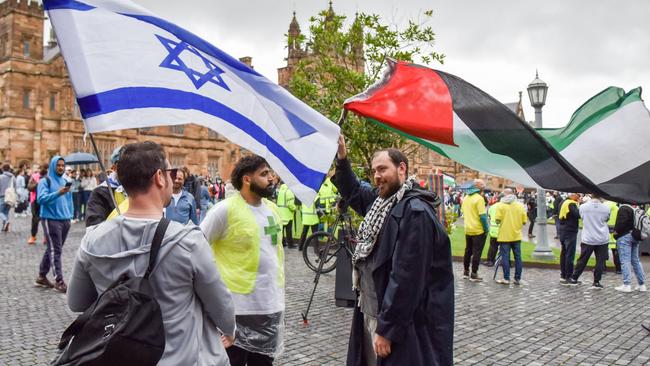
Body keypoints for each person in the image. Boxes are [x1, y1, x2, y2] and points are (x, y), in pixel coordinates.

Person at [67, 141, 236, 365]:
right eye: (172, 172)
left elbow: (77, 302)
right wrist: (230, 331)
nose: (174, 177)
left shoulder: (93, 239)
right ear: (159, 177)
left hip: (121, 355)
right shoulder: (189, 241)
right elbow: (220, 304)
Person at [333, 136, 453, 366]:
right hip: (370, 310)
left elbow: (406, 279)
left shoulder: (414, 211)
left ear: (402, 169)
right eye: (373, 171)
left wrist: (388, 330)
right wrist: (342, 156)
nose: (377, 176)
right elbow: (354, 189)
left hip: (399, 324)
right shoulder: (382, 202)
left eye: (382, 169)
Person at [201, 155, 286, 365]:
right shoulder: (224, 210)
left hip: (270, 306)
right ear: (247, 179)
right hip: (236, 310)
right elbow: (197, 246)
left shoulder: (273, 210)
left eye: (270, 173)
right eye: (264, 174)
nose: (272, 178)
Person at [35, 156, 73, 293]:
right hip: (51, 219)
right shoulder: (45, 181)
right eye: (58, 165)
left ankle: (41, 276)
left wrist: (70, 216)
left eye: (63, 165)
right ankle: (59, 280)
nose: (61, 167)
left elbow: (69, 200)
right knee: (55, 250)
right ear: (53, 166)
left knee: (52, 249)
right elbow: (41, 199)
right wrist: (58, 193)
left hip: (65, 220)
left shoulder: (65, 181)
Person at [567, 195, 611, 289]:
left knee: (582, 259)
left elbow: (582, 217)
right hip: (602, 238)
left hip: (588, 237)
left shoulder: (583, 207)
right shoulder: (606, 208)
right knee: (600, 261)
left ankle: (574, 277)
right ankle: (596, 281)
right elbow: (607, 219)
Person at [85, 146, 128, 227]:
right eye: (126, 164)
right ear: (115, 167)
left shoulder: (142, 189)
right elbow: (93, 226)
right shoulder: (100, 193)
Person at [494, 189, 527, 285]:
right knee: (518, 257)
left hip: (504, 235)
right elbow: (524, 221)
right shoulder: (520, 206)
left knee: (505, 257)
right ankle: (517, 278)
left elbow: (497, 220)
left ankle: (506, 278)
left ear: (504, 195)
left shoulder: (500, 205)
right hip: (516, 235)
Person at [613, 204, 646, 292]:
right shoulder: (636, 209)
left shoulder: (624, 208)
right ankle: (642, 284)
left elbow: (620, 224)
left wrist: (616, 232)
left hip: (625, 236)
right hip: (635, 235)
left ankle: (626, 285)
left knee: (625, 260)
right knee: (636, 260)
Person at [461, 179, 489, 281]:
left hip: (468, 229)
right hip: (478, 230)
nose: (484, 186)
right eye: (482, 185)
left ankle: (465, 272)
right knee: (477, 252)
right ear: (478, 187)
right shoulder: (479, 198)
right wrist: (486, 229)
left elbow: (463, 212)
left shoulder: (466, 198)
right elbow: (483, 216)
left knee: (468, 251)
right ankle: (474, 273)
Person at [558, 193, 580, 284]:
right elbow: (578, 215)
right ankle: (569, 275)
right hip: (570, 231)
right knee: (569, 254)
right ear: (573, 195)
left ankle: (563, 274)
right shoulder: (571, 204)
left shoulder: (563, 202)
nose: (579, 198)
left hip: (562, 230)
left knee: (563, 253)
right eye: (578, 195)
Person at [27, 164, 46, 244]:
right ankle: (33, 236)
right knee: (35, 219)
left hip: (45, 200)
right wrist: (38, 184)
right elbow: (29, 187)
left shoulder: (49, 177)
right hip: (35, 201)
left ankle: (46, 237)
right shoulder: (34, 176)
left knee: (46, 219)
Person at [484, 193, 503, 267]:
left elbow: (489, 216)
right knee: (504, 248)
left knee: (492, 247)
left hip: (493, 230)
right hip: (502, 230)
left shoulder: (492, 207)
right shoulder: (505, 207)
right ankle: (502, 261)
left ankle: (490, 261)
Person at [276, 181, 297, 248]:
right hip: (287, 214)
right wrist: (295, 208)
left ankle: (283, 243)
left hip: (280, 213)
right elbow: (290, 204)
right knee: (289, 230)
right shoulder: (289, 191)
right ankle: (290, 244)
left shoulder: (280, 191)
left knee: (282, 229)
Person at [604, 200, 622, 274]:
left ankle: (602, 268)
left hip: (605, 230)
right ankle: (618, 269)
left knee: (602, 251)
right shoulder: (617, 208)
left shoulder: (604, 206)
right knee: (616, 252)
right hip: (614, 231)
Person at [0, 164, 15, 232]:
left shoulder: (1, 177)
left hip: (2, 196)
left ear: (3, 169)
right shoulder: (13, 177)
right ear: (9, 169)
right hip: (10, 197)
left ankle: (6, 221)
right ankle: (4, 227)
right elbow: (15, 187)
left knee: (1, 212)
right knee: (6, 212)